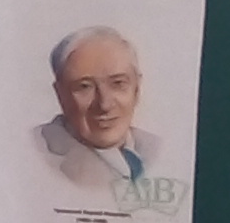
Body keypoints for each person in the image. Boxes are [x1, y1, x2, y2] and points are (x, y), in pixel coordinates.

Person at [34, 25, 160, 198]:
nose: (104, 104)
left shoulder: (157, 148)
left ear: (136, 89)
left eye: (118, 83)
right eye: (85, 86)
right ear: (60, 94)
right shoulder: (32, 154)